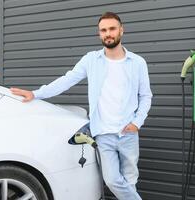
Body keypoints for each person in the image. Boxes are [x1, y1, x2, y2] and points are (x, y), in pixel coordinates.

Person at [10, 11, 152, 200]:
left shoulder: (137, 62)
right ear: (99, 34)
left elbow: (146, 96)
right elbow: (66, 80)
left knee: (130, 181)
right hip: (103, 134)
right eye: (103, 30)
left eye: (111, 29)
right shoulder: (91, 60)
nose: (107, 33)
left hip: (129, 133)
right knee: (112, 181)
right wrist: (36, 93)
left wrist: (137, 123)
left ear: (121, 30)